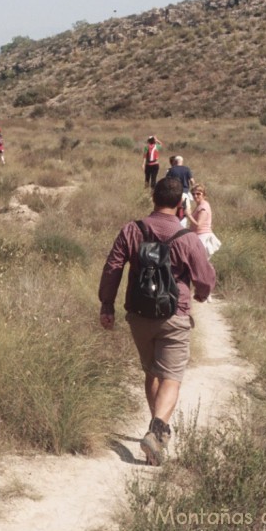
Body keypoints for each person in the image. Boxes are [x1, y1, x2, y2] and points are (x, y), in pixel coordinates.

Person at [98, 177, 216, 466]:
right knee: (171, 378)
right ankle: (157, 429)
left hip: (139, 316)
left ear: (153, 197)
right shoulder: (187, 238)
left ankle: (156, 434)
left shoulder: (132, 230)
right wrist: (201, 294)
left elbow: (113, 267)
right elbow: (205, 277)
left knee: (152, 372)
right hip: (174, 315)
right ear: (180, 205)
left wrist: (107, 305)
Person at [186, 184, 221, 260]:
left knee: (199, 261)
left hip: (202, 237)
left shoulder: (203, 207)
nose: (195, 196)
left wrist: (188, 215)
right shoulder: (200, 205)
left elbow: (199, 225)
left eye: (198, 194)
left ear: (204, 195)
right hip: (199, 236)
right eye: (193, 194)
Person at [164, 156, 195, 227]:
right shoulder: (187, 169)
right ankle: (183, 228)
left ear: (175, 162)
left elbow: (166, 181)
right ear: (182, 161)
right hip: (185, 192)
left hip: (174, 193)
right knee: (186, 211)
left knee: (173, 210)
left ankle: (173, 226)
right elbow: (192, 181)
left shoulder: (171, 170)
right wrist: (194, 188)